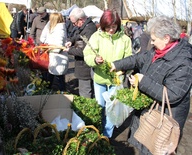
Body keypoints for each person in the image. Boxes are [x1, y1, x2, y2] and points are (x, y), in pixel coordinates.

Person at [110, 15, 192, 154]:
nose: (151, 43)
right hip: (150, 115)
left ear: (166, 38)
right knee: (145, 145)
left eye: (154, 40)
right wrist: (116, 64)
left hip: (164, 120)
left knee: (155, 148)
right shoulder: (158, 51)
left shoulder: (184, 61)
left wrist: (142, 81)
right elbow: (138, 59)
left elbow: (172, 95)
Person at [83, 9, 132, 138]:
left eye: (114, 27)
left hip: (116, 80)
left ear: (118, 25)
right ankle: (97, 130)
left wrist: (122, 69)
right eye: (108, 27)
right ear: (103, 25)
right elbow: (87, 54)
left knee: (112, 109)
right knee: (100, 106)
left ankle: (106, 136)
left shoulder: (125, 40)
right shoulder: (96, 37)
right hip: (100, 79)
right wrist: (95, 60)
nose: (111, 30)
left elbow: (129, 58)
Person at [64, 8, 97, 98]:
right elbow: (77, 36)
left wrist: (69, 50)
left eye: (74, 23)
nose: (74, 25)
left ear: (81, 20)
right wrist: (71, 41)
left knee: (85, 92)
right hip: (82, 65)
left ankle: (87, 110)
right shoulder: (84, 27)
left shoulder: (89, 30)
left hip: (85, 66)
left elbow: (85, 51)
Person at [40, 12, 68, 92]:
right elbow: (43, 37)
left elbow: (58, 47)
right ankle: (47, 91)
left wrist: (48, 48)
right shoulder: (51, 26)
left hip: (59, 57)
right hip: (54, 57)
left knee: (59, 78)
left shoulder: (60, 29)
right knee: (52, 76)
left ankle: (62, 94)